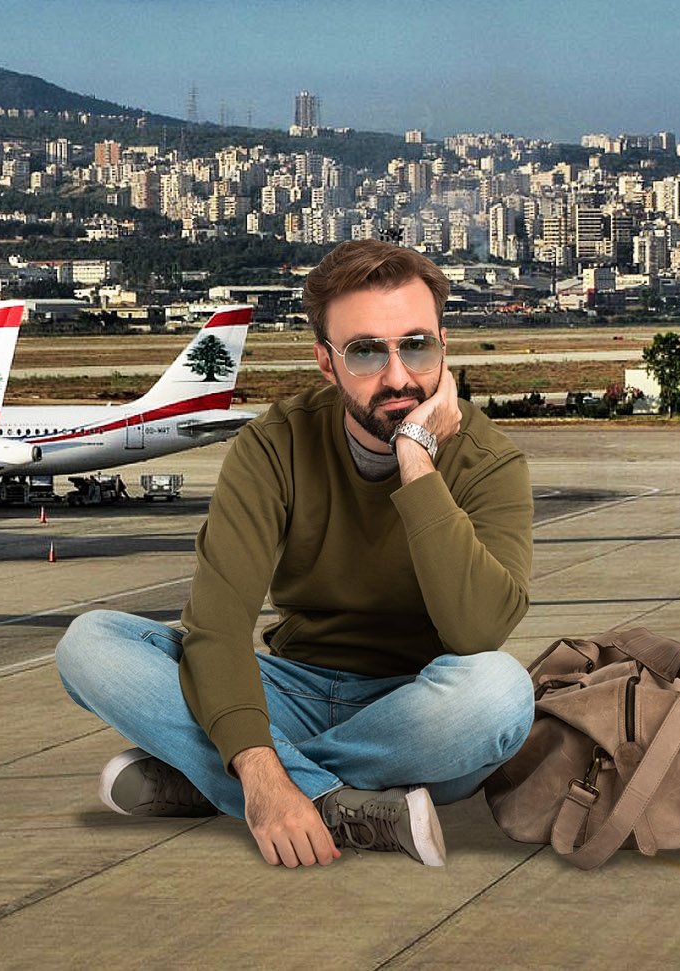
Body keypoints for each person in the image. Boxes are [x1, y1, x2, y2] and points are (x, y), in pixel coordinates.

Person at [54, 239, 536, 869]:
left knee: (500, 693)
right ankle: (326, 799)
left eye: (415, 346)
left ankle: (212, 777)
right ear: (326, 363)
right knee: (88, 643)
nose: (397, 376)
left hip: (416, 713)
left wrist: (417, 463)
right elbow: (217, 627)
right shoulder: (274, 444)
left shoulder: (489, 460)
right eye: (366, 351)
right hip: (289, 685)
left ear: (443, 346)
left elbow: (477, 630)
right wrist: (260, 767)